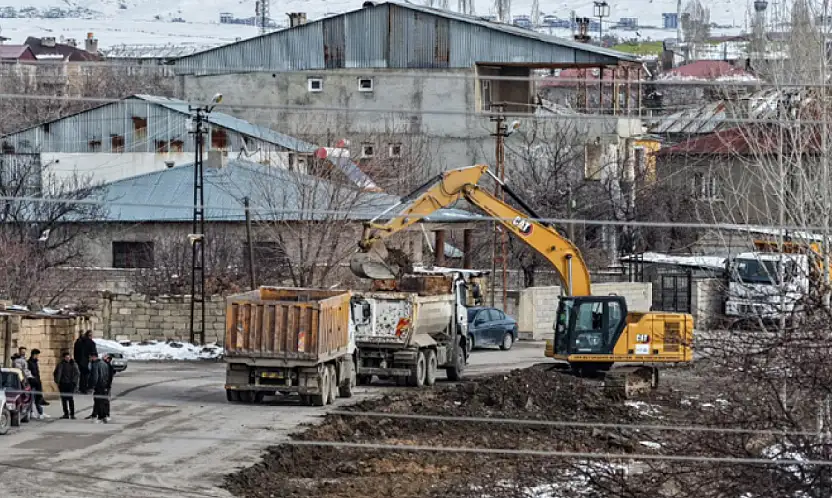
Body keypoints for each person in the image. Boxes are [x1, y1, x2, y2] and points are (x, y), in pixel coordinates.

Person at [53, 351, 80, 420]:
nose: (68, 358)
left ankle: (72, 414)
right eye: (66, 357)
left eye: (69, 357)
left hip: (70, 384)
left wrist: (74, 382)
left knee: (70, 399)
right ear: (64, 358)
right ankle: (66, 414)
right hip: (63, 384)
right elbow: (55, 373)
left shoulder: (73, 364)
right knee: (64, 400)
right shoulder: (60, 364)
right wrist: (57, 381)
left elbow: (77, 374)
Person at [88, 352, 111, 424]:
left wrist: (93, 385)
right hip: (104, 384)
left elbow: (95, 376)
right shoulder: (104, 364)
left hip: (99, 385)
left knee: (98, 401)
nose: (90, 359)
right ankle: (104, 416)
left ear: (93, 357)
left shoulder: (95, 364)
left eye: (91, 357)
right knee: (103, 400)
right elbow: (107, 375)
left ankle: (101, 417)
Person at [27, 349, 49, 419]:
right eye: (37, 355)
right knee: (31, 399)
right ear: (34, 355)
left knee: (38, 398)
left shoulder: (35, 362)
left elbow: (37, 373)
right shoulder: (29, 362)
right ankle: (31, 412)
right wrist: (33, 379)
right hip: (32, 383)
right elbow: (29, 373)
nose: (38, 356)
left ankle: (41, 412)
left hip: (37, 383)